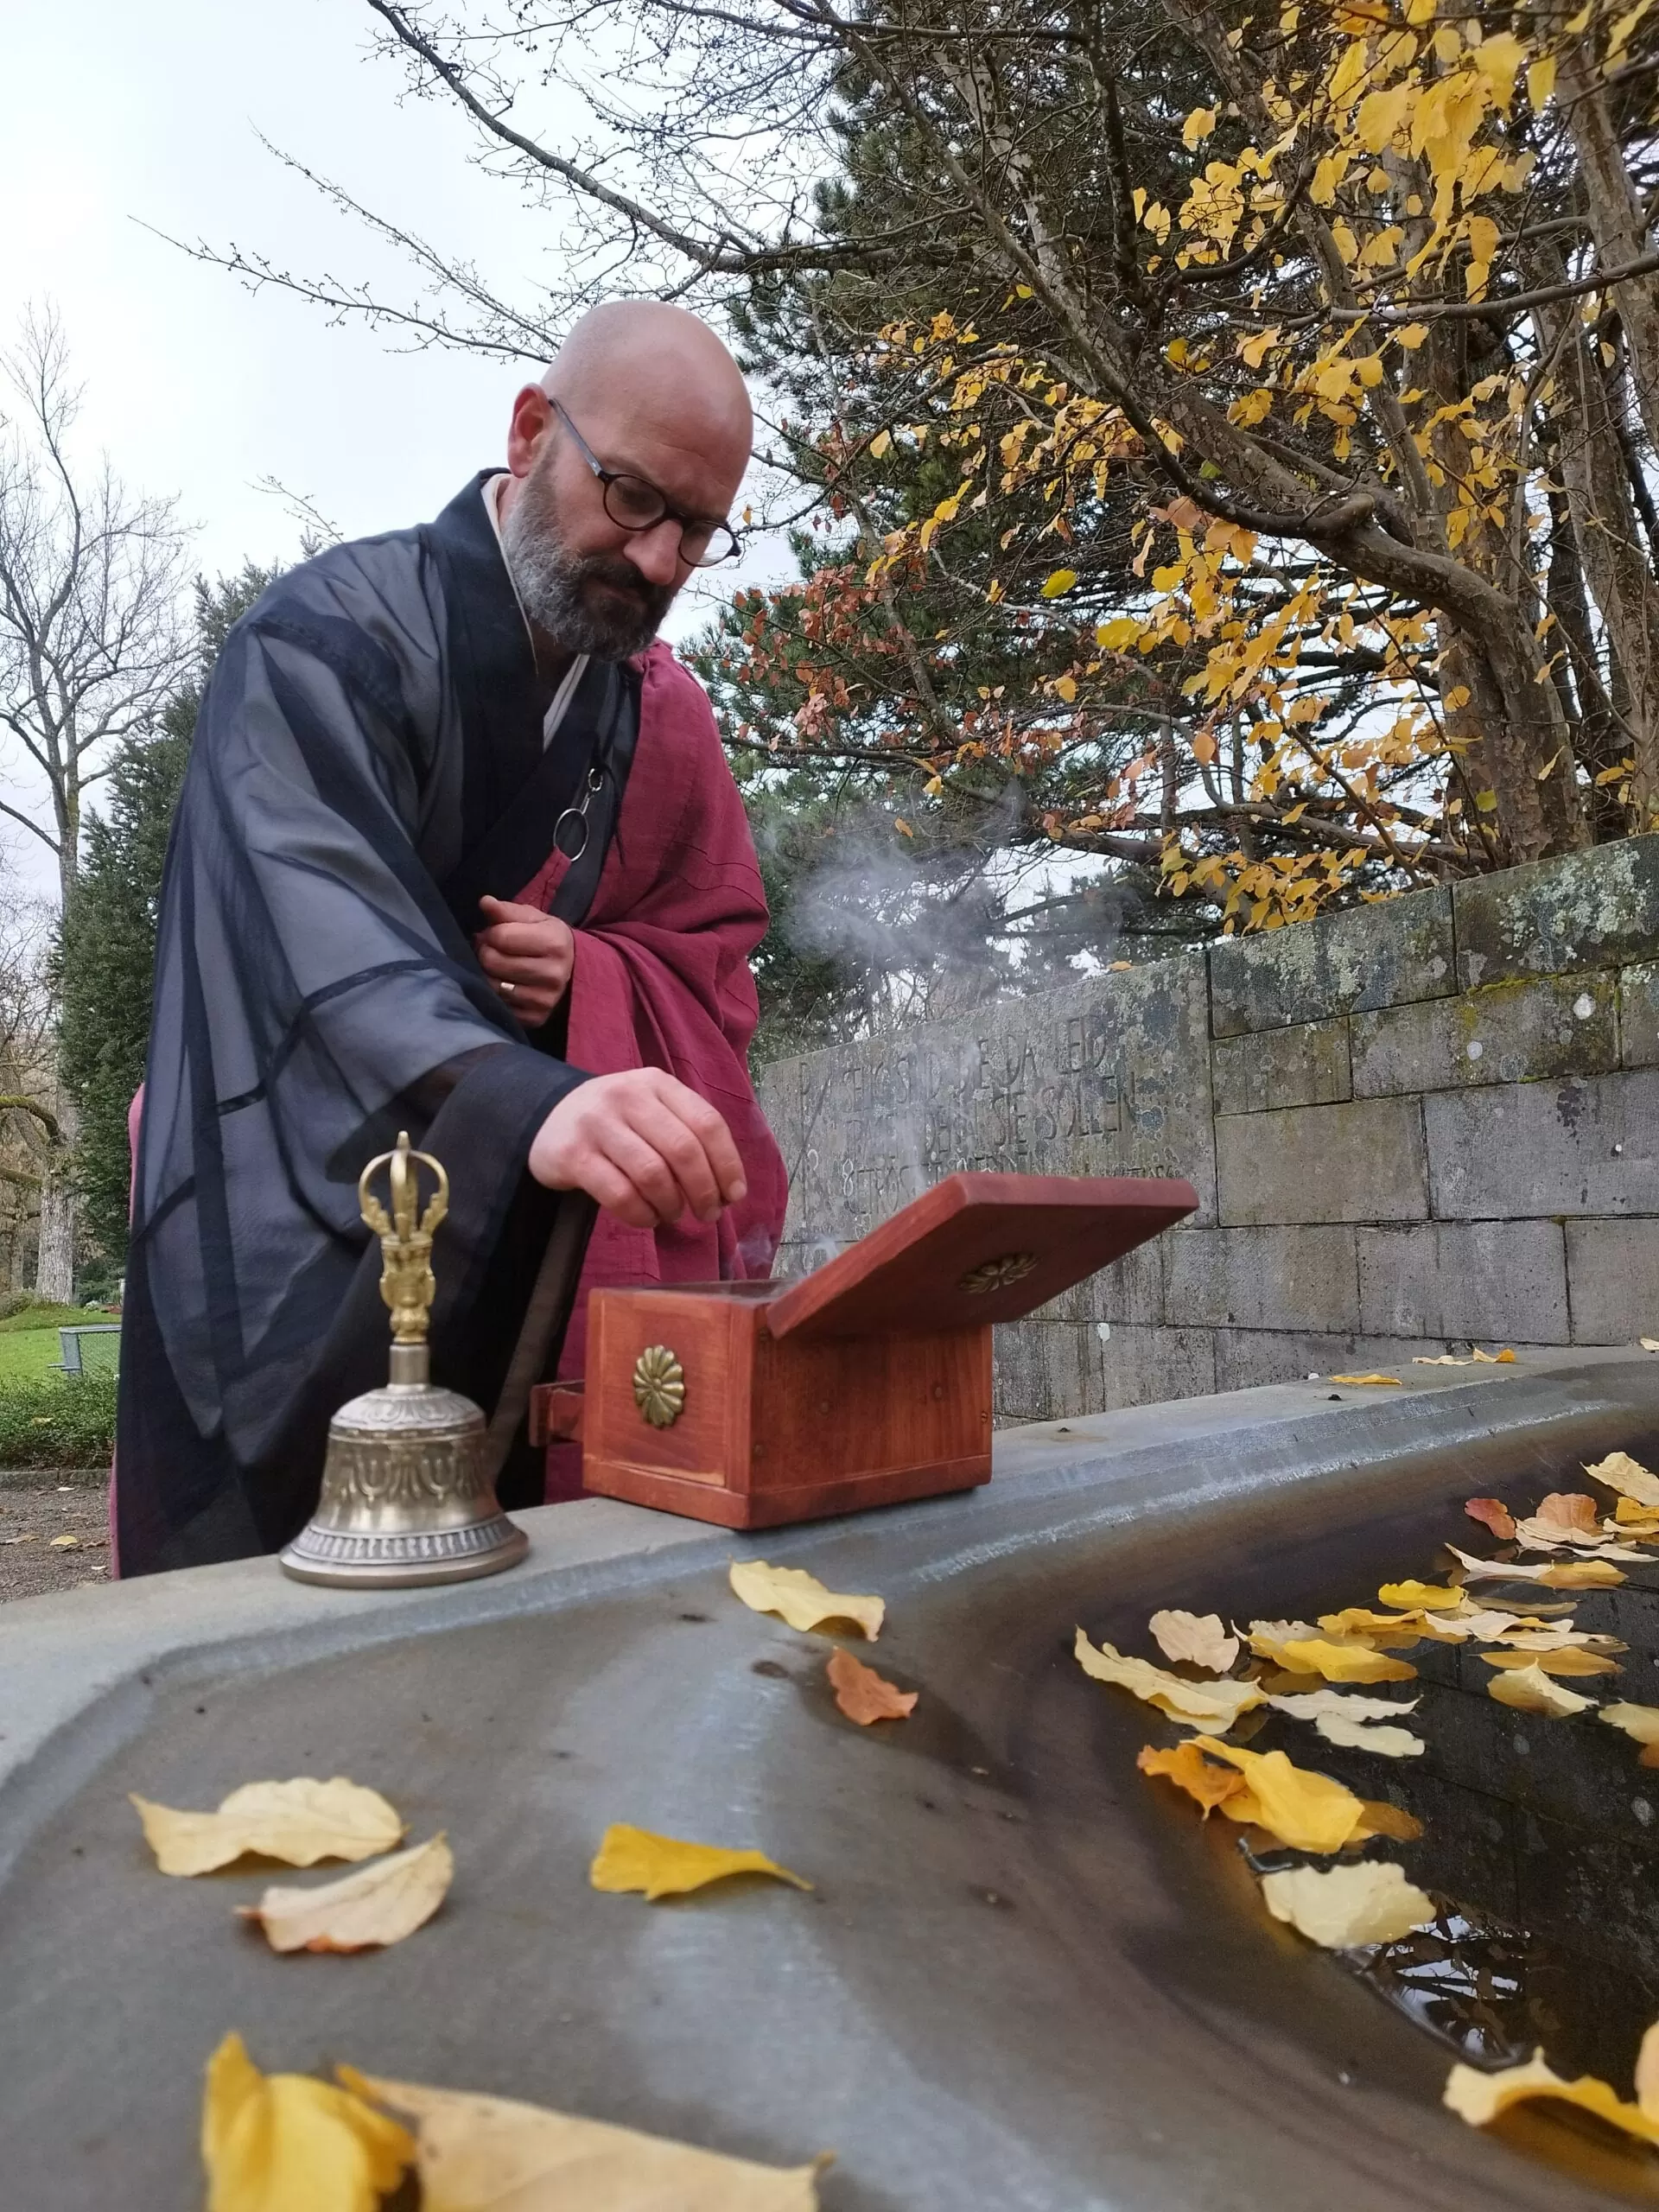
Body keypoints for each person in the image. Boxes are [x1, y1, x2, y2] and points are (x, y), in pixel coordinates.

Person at [114, 300, 788, 1575]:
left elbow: (709, 948)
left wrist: (592, 982)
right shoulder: (319, 642)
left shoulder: (643, 709)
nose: (659, 562)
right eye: (633, 499)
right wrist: (527, 1099)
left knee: (507, 1617)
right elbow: (314, 931)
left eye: (699, 531)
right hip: (305, 1215)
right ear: (533, 429)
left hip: (523, 1218)